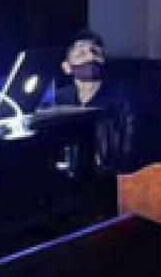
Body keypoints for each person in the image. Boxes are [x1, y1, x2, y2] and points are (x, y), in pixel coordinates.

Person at [55, 30, 136, 174]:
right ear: (67, 67)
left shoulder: (123, 101)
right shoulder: (58, 101)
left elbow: (129, 153)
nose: (91, 57)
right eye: (81, 54)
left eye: (96, 52)